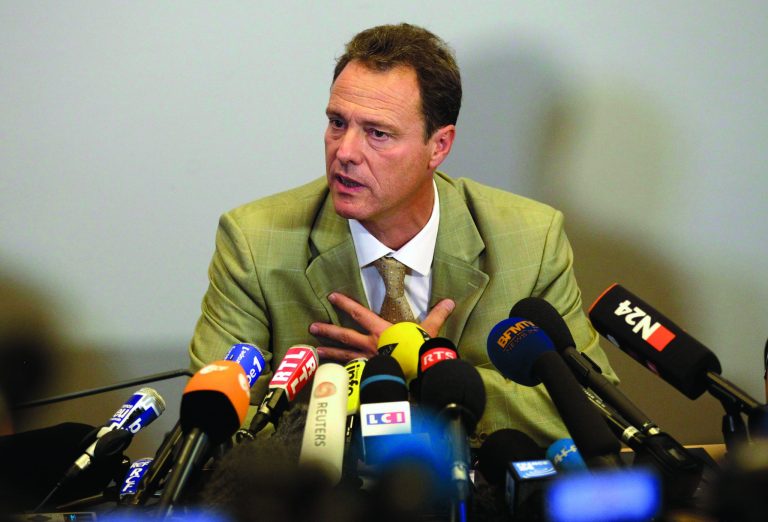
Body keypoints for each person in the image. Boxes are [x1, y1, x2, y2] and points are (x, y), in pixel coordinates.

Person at [189, 23, 617, 446]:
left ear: (439, 146)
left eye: (377, 133)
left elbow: (595, 409)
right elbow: (208, 421)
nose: (345, 152)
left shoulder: (530, 239)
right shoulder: (254, 240)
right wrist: (354, 392)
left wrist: (426, 375)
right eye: (337, 123)